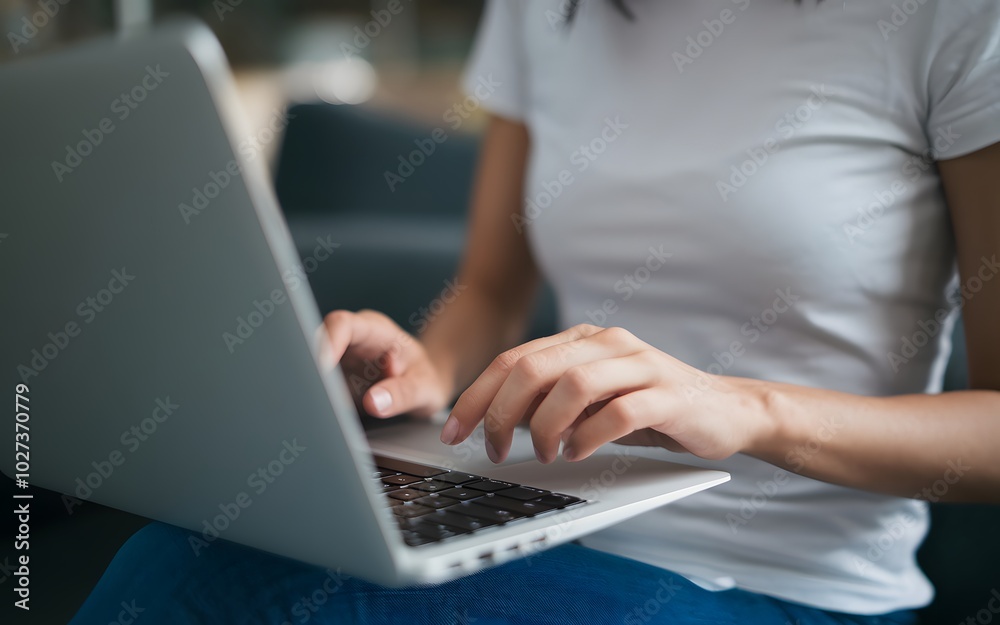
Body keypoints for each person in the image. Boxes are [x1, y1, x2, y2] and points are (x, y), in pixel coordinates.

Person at [72, 1, 1000, 623]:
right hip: (532, 523)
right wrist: (422, 373)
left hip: (788, 588)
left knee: (211, 588)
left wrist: (748, 409)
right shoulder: (545, 11)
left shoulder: (953, 21)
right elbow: (489, 288)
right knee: (181, 558)